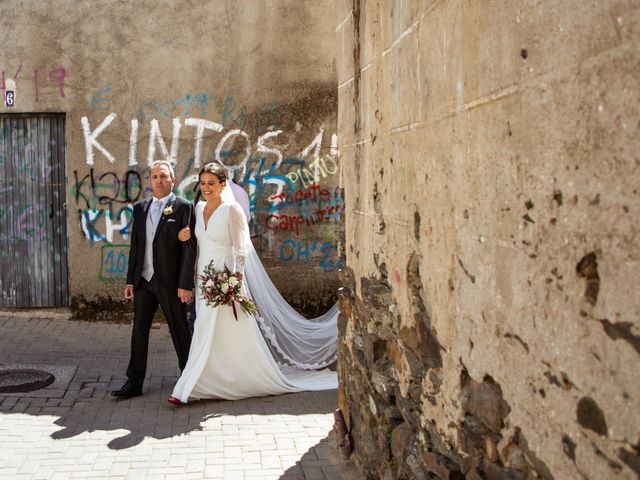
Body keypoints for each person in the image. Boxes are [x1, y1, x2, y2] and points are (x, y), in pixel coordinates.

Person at [167, 163, 337, 404]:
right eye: (203, 183)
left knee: (216, 330)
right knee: (207, 329)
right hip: (204, 279)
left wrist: (234, 282)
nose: (205, 188)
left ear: (223, 185)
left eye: (211, 183)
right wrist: (183, 236)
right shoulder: (199, 208)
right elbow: (196, 242)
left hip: (225, 278)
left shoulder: (232, 210)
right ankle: (211, 380)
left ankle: (190, 387)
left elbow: (240, 250)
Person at [112, 160, 197, 399]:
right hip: (144, 281)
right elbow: (136, 247)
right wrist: (131, 280)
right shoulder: (140, 208)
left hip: (170, 283)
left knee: (179, 330)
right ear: (150, 181)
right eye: (155, 177)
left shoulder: (183, 207)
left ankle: (189, 380)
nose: (159, 181)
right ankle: (134, 382)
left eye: (164, 176)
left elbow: (189, 249)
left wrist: (185, 284)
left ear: (173, 179)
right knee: (139, 331)